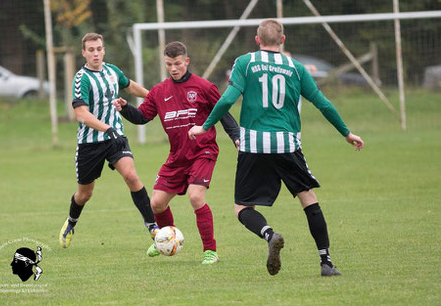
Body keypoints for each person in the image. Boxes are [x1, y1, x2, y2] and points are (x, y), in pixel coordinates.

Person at [188, 19, 364, 276]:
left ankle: (269, 234)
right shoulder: (296, 68)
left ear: (257, 40)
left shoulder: (245, 62)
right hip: (286, 143)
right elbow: (323, 104)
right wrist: (346, 133)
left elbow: (227, 99)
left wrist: (204, 127)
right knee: (308, 199)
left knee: (243, 208)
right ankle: (326, 262)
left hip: (253, 145)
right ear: (283, 40)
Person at [113, 41, 239, 264]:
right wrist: (124, 108)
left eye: (178, 63)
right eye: (169, 64)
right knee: (157, 203)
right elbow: (142, 117)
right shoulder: (159, 91)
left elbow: (223, 113)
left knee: (195, 196)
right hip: (177, 156)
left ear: (186, 61)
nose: (173, 68)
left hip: (203, 151)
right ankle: (166, 238)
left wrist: (236, 136)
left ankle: (210, 251)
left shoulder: (204, 87)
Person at [59, 33, 158, 248]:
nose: (96, 53)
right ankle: (71, 222)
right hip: (90, 143)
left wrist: (154, 97)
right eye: (91, 50)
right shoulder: (81, 79)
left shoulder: (113, 71)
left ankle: (152, 226)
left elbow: (130, 86)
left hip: (115, 139)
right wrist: (107, 128)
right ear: (83, 53)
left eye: (99, 49)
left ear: (103, 50)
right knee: (85, 194)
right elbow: (81, 114)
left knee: (131, 176)